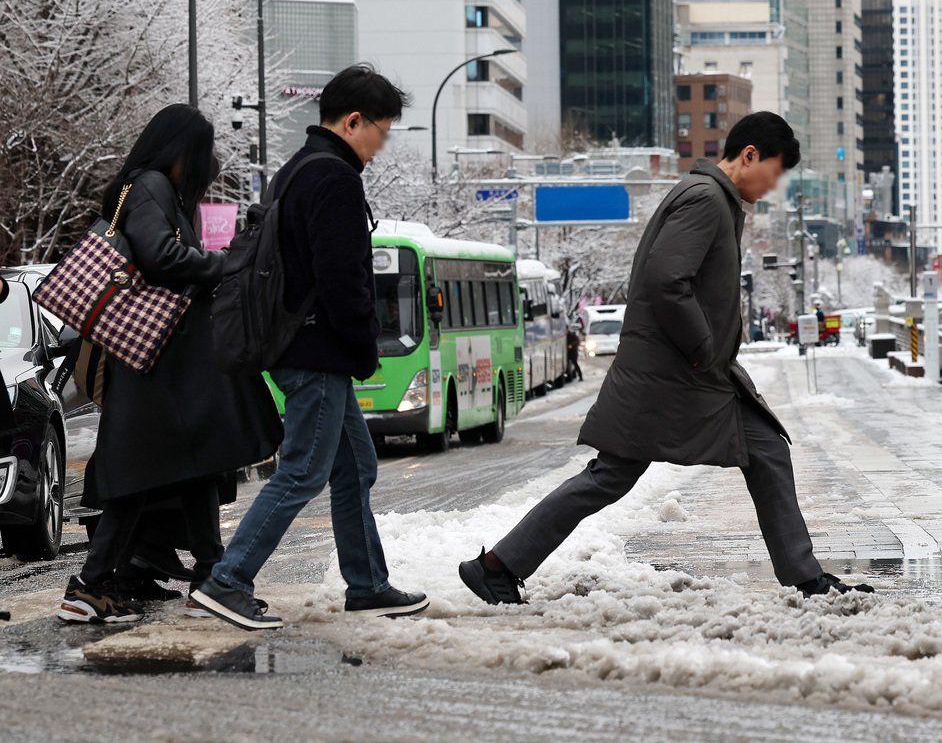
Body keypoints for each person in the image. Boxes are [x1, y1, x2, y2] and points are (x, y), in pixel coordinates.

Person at [457, 112, 874, 604]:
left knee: (764, 451)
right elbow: (665, 281)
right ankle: (496, 566)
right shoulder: (704, 199)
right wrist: (702, 348)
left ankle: (806, 579)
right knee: (610, 477)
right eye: (776, 171)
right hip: (675, 375)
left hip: (689, 374)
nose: (775, 183)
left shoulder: (711, 197)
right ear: (750, 155)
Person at [193, 64, 428, 630]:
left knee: (355, 467)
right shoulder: (335, 179)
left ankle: (368, 584)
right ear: (353, 121)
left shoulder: (296, 170)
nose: (383, 143)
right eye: (381, 129)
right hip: (317, 349)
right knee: (302, 470)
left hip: (299, 345)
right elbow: (343, 276)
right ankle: (228, 580)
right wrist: (362, 346)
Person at [59, 104, 283, 624]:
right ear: (181, 150)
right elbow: (160, 257)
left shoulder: (137, 187)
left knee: (187, 465)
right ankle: (94, 585)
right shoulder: (151, 185)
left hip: (160, 363)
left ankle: (207, 575)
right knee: (149, 470)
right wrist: (223, 262)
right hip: (155, 361)